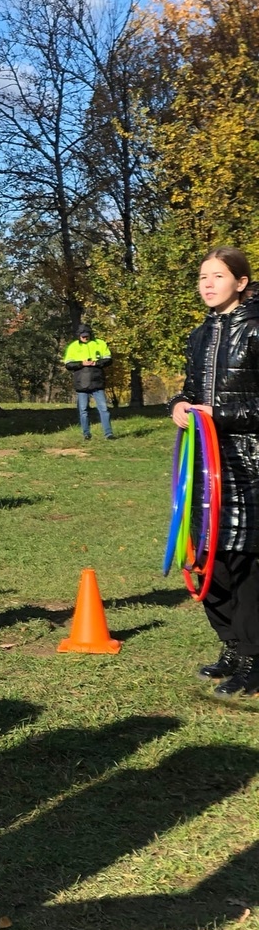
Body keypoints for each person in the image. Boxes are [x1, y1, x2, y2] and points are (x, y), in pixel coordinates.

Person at [169, 246, 259, 699]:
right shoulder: (199, 335)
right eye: (202, 276)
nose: (207, 283)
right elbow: (187, 389)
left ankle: (252, 659)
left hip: (249, 464)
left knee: (244, 560)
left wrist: (219, 412)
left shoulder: (258, 329)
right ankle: (231, 647)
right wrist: (179, 406)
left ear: (240, 282)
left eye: (218, 276)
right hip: (205, 463)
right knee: (210, 560)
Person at [63, 324, 114, 440]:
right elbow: (68, 364)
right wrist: (82, 363)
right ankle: (86, 434)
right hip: (82, 383)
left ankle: (108, 433)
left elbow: (108, 359)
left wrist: (97, 363)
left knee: (104, 409)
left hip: (97, 381)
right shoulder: (72, 347)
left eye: (87, 336)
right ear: (79, 336)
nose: (85, 338)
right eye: (83, 336)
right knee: (83, 410)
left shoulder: (100, 344)